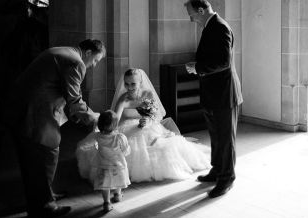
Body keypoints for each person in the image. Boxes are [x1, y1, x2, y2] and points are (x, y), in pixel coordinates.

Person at [0, 39, 105, 218]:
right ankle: (43, 206)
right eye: (95, 60)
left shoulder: (63, 51)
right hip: (34, 114)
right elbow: (74, 100)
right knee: (46, 154)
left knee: (32, 159)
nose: (94, 65)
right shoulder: (76, 62)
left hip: (22, 109)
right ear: (88, 53)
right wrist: (95, 118)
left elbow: (57, 89)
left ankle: (43, 196)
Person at [76, 68, 210, 183]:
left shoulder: (148, 94)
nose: (129, 87)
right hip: (128, 128)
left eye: (133, 84)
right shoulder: (123, 98)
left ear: (140, 82)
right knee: (123, 148)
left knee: (164, 147)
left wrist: (148, 121)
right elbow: (115, 118)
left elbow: (157, 115)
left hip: (149, 127)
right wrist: (102, 120)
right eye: (126, 84)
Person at [184, 0, 243, 198]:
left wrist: (197, 68)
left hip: (224, 94)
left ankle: (227, 179)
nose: (190, 18)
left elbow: (224, 62)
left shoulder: (219, 27)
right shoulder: (210, 27)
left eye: (190, 13)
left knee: (225, 139)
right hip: (213, 93)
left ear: (201, 10)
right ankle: (217, 170)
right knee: (216, 137)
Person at [92, 111, 131, 213]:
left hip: (103, 165)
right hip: (118, 164)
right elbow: (126, 150)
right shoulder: (120, 137)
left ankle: (106, 203)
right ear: (115, 125)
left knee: (105, 184)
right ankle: (117, 195)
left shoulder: (97, 136)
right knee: (118, 179)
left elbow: (94, 144)